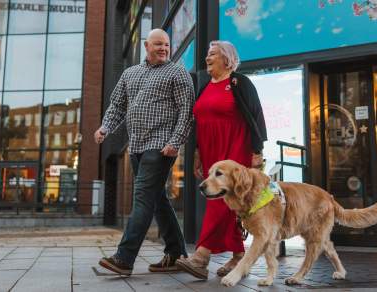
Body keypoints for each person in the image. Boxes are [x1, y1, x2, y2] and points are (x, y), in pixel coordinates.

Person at [95, 29, 195, 276]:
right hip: (137, 146)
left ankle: (124, 258)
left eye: (167, 45)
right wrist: (105, 127)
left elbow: (187, 112)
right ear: (146, 45)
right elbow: (117, 105)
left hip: (161, 146)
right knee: (157, 200)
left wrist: (176, 141)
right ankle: (176, 253)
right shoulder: (131, 73)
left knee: (142, 198)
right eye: (158, 44)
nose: (163, 48)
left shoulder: (177, 73)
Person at [176, 41, 267, 279]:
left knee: (219, 200)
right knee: (228, 204)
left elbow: (256, 116)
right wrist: (196, 153)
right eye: (207, 54)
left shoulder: (239, 82)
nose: (207, 58)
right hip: (210, 152)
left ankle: (201, 257)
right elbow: (198, 121)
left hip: (236, 149)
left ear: (226, 59)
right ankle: (238, 255)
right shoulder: (205, 86)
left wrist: (257, 151)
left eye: (213, 54)